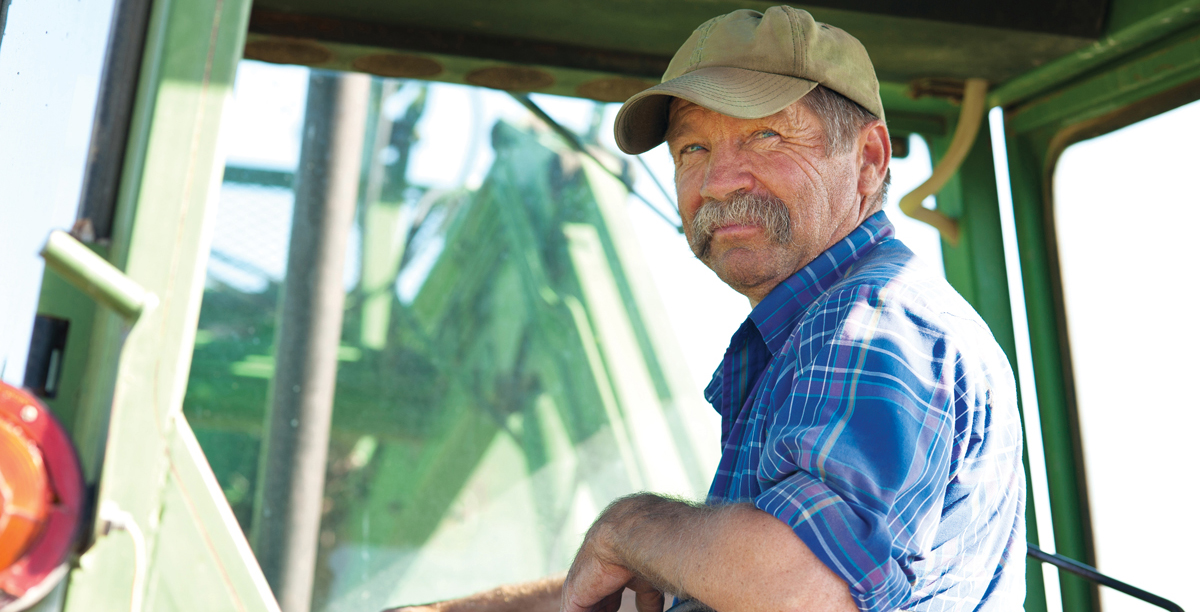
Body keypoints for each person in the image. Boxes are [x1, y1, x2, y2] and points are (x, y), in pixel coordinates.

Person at [388, 6, 1025, 612]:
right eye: (693, 149)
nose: (720, 180)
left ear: (868, 160)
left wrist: (628, 526)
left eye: (766, 136)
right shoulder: (810, 333)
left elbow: (803, 592)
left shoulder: (870, 323)